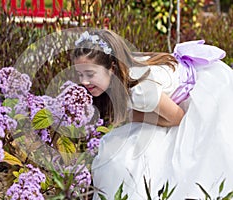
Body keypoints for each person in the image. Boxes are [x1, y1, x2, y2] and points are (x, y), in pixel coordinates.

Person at [72, 29, 233, 199]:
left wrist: (135, 116)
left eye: (90, 74)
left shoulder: (140, 88)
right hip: (175, 103)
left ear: (111, 68)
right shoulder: (124, 76)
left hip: (208, 96)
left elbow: (178, 118)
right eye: (80, 74)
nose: (83, 81)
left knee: (194, 163)